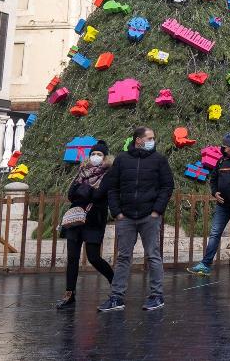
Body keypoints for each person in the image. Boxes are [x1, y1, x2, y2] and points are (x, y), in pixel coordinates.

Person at [99, 126, 173, 312]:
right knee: (123, 257)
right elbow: (112, 187)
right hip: (126, 217)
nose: (152, 141)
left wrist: (157, 210)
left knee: (153, 255)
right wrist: (117, 212)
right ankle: (117, 297)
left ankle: (157, 295)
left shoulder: (159, 160)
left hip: (150, 216)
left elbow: (167, 186)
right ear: (138, 140)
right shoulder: (122, 160)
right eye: (149, 138)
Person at [189, 132, 230, 277]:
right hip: (223, 206)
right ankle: (205, 264)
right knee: (214, 234)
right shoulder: (221, 161)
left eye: (226, 147)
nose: (223, 149)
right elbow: (213, 179)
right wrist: (215, 193)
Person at [56, 140, 114, 309]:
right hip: (76, 219)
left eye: (99, 154)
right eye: (93, 154)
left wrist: (84, 191)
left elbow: (99, 195)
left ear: (105, 157)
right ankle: (69, 294)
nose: (95, 157)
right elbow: (71, 194)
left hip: (94, 219)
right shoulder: (82, 170)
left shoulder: (108, 173)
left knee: (93, 257)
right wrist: (86, 191)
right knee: (72, 257)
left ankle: (114, 282)